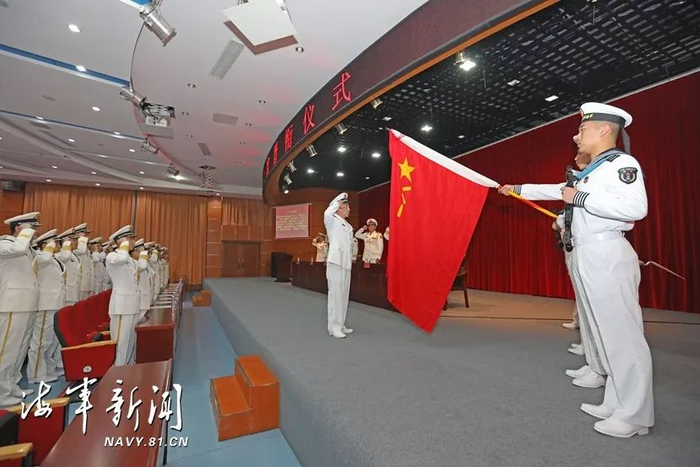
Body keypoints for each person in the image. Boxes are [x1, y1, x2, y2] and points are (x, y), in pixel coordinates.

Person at [499, 102, 652, 438]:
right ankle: (616, 401)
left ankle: (635, 414)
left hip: (606, 252)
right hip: (587, 252)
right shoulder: (594, 171)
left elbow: (635, 207)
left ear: (604, 130)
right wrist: (518, 189)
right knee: (601, 330)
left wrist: (579, 198)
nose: (576, 135)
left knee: (622, 337)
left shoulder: (621, 164)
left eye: (582, 129)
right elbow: (557, 191)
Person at [0, 212, 40, 406]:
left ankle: (12, 386)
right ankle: (1, 392)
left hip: (27, 304)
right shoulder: (5, 243)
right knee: (6, 350)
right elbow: (18, 248)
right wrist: (25, 233)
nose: (35, 232)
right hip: (11, 305)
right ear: (19, 227)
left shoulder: (27, 248)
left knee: (19, 350)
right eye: (32, 227)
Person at [27, 229, 65, 384]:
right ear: (46, 244)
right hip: (45, 304)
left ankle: (49, 369)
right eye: (55, 243)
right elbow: (43, 261)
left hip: (55, 303)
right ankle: (36, 374)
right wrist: (48, 247)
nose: (59, 246)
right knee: (41, 341)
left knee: (51, 340)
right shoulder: (40, 257)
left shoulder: (54, 259)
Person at [106, 225, 142, 366]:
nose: (133, 242)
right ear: (121, 241)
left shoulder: (131, 260)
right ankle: (118, 372)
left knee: (130, 340)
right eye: (130, 239)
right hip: (121, 307)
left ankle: (128, 369)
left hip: (132, 305)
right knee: (121, 343)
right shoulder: (113, 256)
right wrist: (124, 246)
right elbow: (121, 259)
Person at [324, 193, 354, 338]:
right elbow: (327, 212)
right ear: (339, 208)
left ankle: (340, 324)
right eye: (346, 207)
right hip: (335, 261)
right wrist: (337, 202)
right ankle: (334, 326)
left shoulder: (348, 226)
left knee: (343, 295)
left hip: (346, 263)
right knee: (335, 295)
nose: (349, 209)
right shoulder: (331, 220)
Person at [73, 223, 93, 301]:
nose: (88, 237)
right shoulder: (76, 248)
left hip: (86, 284)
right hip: (79, 284)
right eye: (86, 234)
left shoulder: (86, 250)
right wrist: (81, 239)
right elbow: (81, 250)